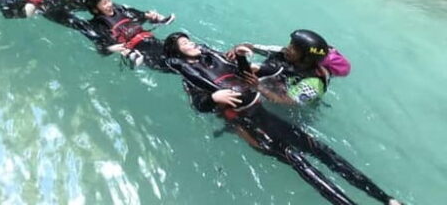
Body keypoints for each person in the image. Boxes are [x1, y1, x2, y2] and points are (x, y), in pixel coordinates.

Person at [163, 33, 401, 205]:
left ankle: (386, 198)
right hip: (244, 120)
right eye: (183, 43)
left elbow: (250, 78)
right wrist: (215, 96)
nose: (191, 43)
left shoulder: (314, 80)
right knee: (298, 161)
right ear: (177, 54)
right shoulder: (190, 76)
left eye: (189, 40)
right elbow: (199, 104)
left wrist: (245, 63)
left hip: (264, 111)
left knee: (322, 151)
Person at [227, 30, 341, 106]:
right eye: (290, 44)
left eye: (294, 48)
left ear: (307, 58)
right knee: (256, 68)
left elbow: (289, 102)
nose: (288, 48)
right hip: (275, 81)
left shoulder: (314, 83)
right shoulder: (284, 52)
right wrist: (236, 49)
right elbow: (250, 46)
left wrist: (259, 87)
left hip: (286, 98)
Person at [83, 0, 175, 68]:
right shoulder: (99, 24)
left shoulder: (121, 10)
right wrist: (111, 48)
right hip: (140, 51)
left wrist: (152, 16)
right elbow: (102, 48)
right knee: (173, 64)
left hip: (151, 40)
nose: (109, 4)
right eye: (104, 3)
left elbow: (139, 15)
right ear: (95, 9)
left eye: (108, 0)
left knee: (177, 50)